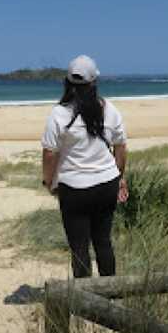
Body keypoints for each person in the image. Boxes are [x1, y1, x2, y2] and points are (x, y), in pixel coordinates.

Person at [41, 55, 128, 278]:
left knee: (79, 248)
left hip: (74, 188)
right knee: (103, 242)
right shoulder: (109, 109)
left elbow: (50, 153)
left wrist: (48, 182)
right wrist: (119, 177)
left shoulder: (59, 113)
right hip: (107, 184)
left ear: (67, 82)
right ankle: (111, 294)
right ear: (94, 82)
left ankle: (85, 302)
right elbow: (121, 147)